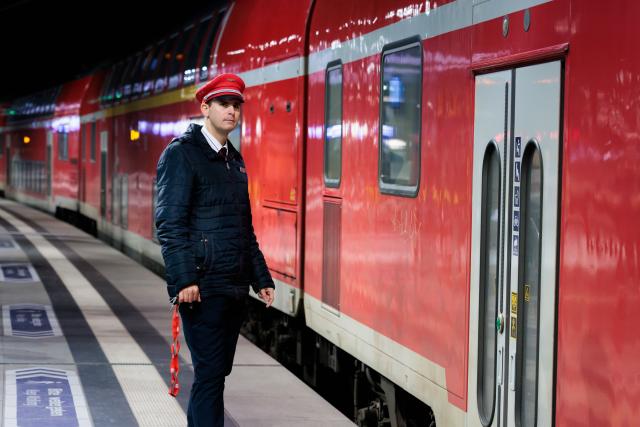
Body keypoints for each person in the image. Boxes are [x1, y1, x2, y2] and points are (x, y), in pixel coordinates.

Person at [155, 73, 275, 427]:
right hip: (202, 287)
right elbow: (170, 223)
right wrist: (184, 280)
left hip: (232, 286)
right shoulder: (182, 154)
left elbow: (242, 227)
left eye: (237, 105)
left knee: (215, 375)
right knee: (209, 374)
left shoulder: (233, 161)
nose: (232, 112)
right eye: (224, 104)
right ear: (205, 107)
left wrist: (260, 277)